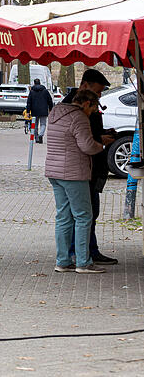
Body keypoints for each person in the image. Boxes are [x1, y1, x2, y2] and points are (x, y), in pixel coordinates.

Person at [45, 88, 107, 273]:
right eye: (93, 108)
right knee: (83, 216)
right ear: (86, 103)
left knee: (63, 216)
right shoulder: (79, 117)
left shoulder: (55, 112)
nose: (93, 113)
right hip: (74, 172)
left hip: (54, 172)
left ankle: (62, 261)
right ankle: (83, 262)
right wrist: (102, 145)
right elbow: (87, 146)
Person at [61, 68, 117, 265]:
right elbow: (80, 140)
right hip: (81, 168)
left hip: (87, 167)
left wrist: (101, 134)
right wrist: (99, 141)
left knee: (85, 213)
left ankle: (83, 252)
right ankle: (80, 254)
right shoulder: (72, 107)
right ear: (85, 86)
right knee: (82, 214)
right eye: (98, 92)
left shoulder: (80, 105)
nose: (99, 96)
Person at [27, 78, 54, 143]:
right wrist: (51, 109)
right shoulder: (45, 91)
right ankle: (41, 135)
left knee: (35, 125)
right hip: (43, 110)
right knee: (43, 124)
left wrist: (28, 111)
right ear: (40, 83)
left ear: (34, 83)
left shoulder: (32, 92)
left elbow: (29, 102)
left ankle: (36, 138)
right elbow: (50, 100)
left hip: (34, 111)